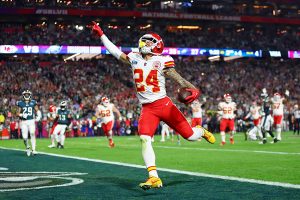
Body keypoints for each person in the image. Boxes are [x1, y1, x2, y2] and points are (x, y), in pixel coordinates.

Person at [91, 21, 215, 190]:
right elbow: (115, 52)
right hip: (148, 108)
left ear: (156, 46)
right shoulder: (134, 58)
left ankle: (202, 130)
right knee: (144, 138)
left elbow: (175, 76)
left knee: (191, 136)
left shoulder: (162, 60)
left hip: (164, 105)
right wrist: (102, 35)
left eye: (149, 42)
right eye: (145, 41)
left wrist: (191, 87)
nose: (144, 43)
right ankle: (153, 177)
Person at [16, 90, 41, 156]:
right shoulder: (20, 103)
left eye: (28, 94)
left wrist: (39, 116)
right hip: (23, 122)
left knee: (32, 133)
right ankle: (27, 147)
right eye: (25, 94)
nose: (27, 96)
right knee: (24, 137)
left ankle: (34, 149)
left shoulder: (33, 102)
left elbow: (37, 110)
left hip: (31, 121)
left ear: (30, 95)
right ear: (23, 95)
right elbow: (17, 113)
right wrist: (22, 115)